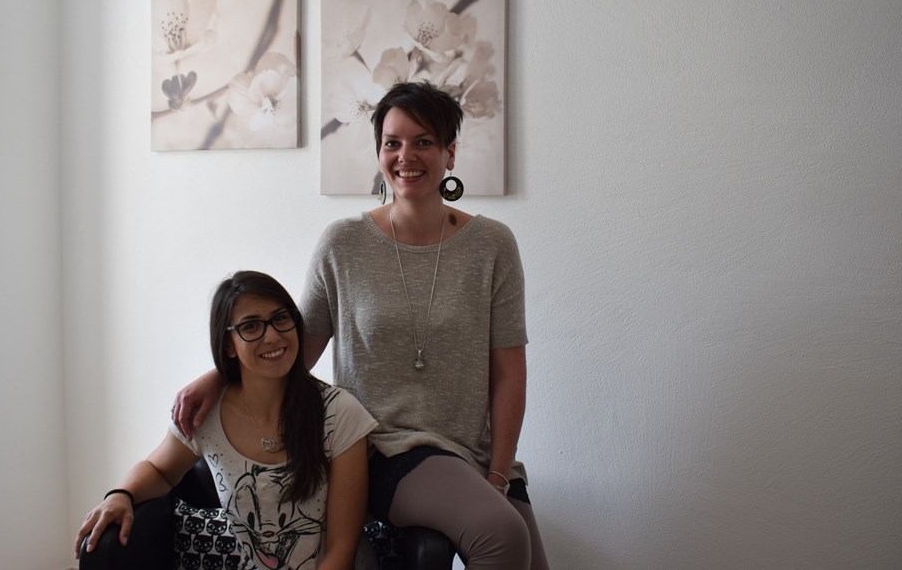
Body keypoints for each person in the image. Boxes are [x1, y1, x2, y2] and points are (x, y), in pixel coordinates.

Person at [175, 82, 550, 569]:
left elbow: (509, 375)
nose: (405, 156)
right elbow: (290, 349)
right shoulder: (343, 244)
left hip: (473, 452)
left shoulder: (493, 245)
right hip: (384, 448)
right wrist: (217, 377)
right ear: (379, 153)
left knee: (520, 550)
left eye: (423, 142)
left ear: (450, 153)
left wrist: (499, 477)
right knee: (501, 533)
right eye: (392, 143)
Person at [75, 270, 376, 570]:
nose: (272, 335)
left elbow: (341, 551)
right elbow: (159, 471)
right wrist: (120, 495)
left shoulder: (339, 413)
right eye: (251, 326)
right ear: (229, 344)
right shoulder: (205, 415)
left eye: (281, 318)